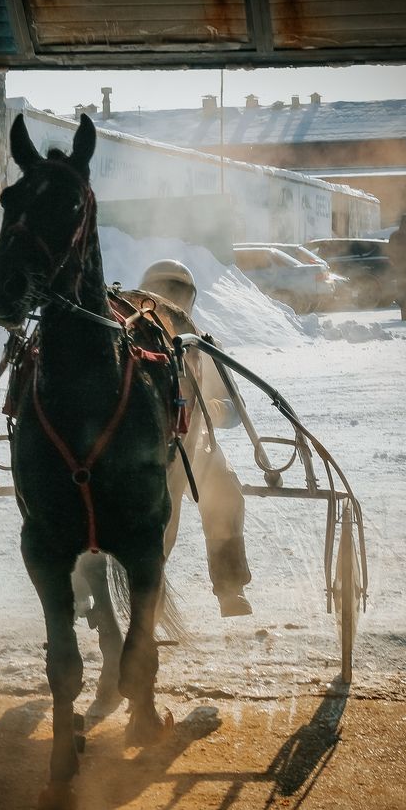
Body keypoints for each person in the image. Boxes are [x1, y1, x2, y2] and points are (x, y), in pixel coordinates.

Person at [139, 259, 252, 617]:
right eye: (159, 292)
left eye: (176, 294)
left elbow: (235, 408)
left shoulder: (202, 344)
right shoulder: (126, 342)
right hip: (140, 446)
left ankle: (229, 587)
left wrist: (213, 410)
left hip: (197, 446)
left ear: (189, 301)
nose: (167, 300)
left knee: (225, 493)